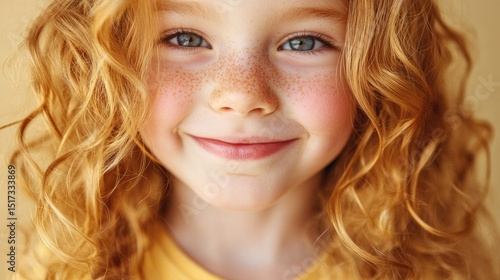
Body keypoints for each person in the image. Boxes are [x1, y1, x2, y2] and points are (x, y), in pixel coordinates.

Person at [4, 0, 499, 279]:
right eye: (186, 38)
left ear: (379, 73)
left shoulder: (437, 270)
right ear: (111, 64)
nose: (242, 96)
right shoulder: (68, 266)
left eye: (303, 42)